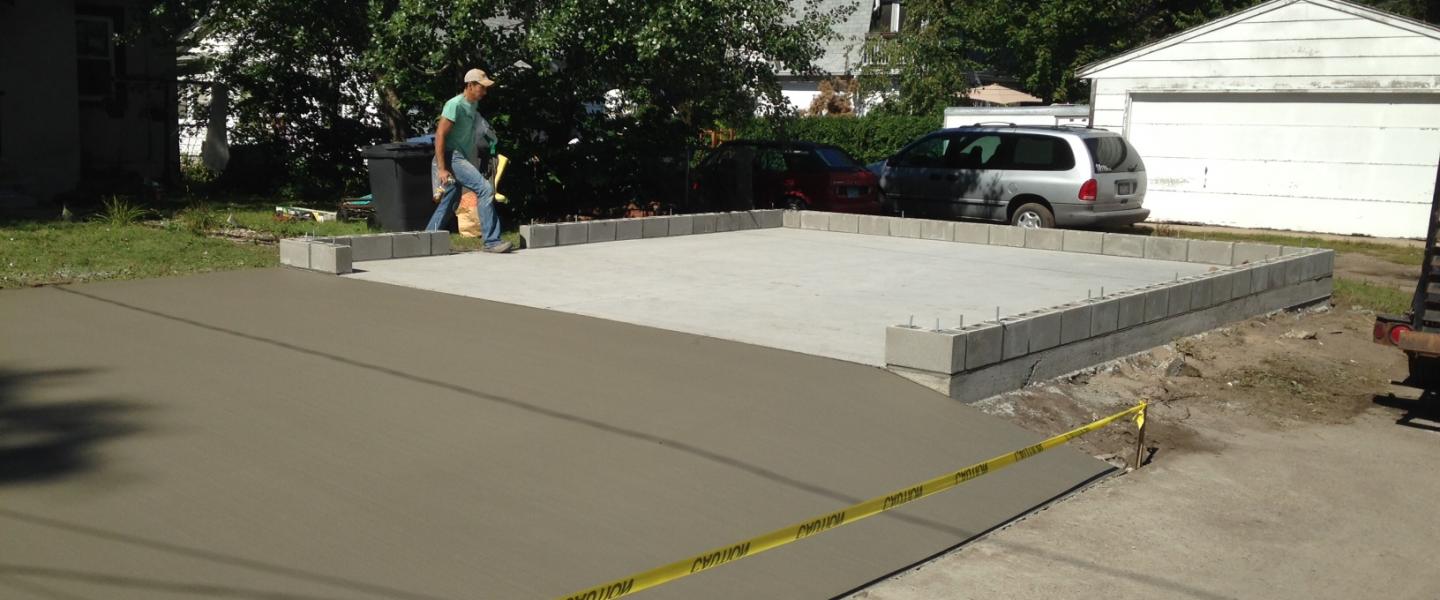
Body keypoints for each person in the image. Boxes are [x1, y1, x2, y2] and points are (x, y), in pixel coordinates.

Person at [429, 68, 511, 253]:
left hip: (461, 157)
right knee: (485, 189)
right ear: (470, 85)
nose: (485, 92)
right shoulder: (455, 105)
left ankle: (427, 239)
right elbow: (440, 134)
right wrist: (442, 168)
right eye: (482, 87)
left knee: (451, 198)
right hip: (452, 155)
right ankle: (492, 241)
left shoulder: (473, 105)